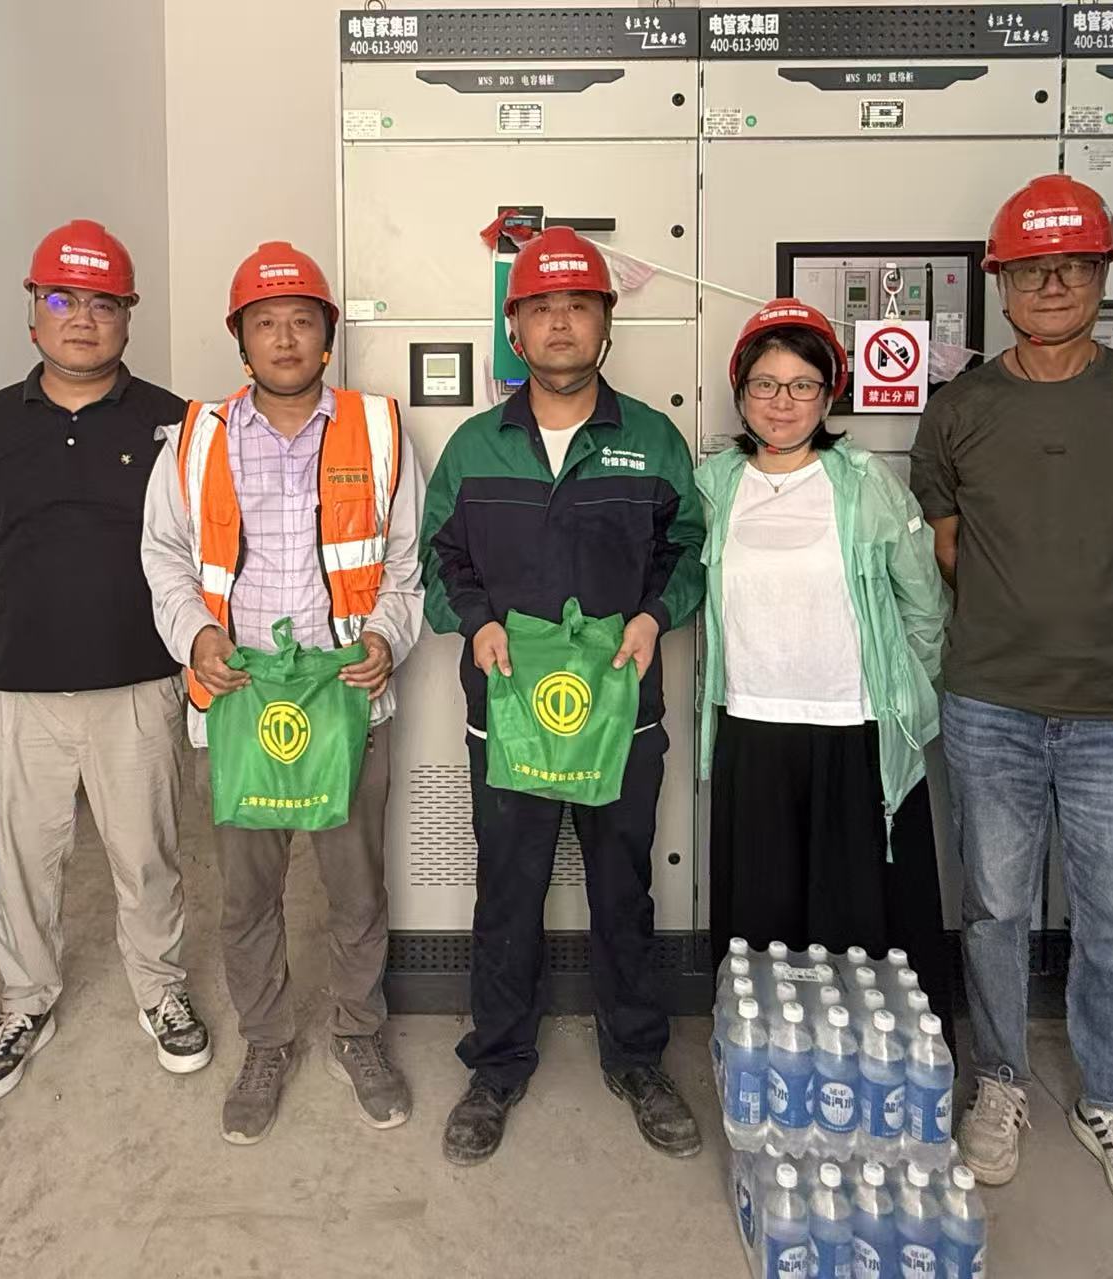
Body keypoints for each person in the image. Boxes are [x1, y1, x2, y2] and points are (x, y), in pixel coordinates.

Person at [909, 175, 1113, 1225]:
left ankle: (1111, 1101)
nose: (1052, 285)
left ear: (1100, 276)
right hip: (991, 703)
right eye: (1032, 268)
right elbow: (951, 551)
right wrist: (1029, 621)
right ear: (998, 281)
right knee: (994, 910)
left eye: (1074, 266)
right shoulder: (961, 408)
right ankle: (999, 1081)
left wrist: (1091, 622)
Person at [419, 226, 706, 1166]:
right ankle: (497, 1065)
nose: (559, 323)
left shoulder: (652, 440)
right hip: (507, 716)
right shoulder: (475, 447)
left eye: (578, 305)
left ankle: (638, 1059)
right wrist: (475, 621)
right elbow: (439, 559)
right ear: (515, 328)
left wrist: (654, 617)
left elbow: (689, 553)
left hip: (622, 717)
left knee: (624, 888)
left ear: (605, 325)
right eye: (541, 307)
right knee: (507, 892)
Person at [141, 241, 424, 1145]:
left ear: (327, 334)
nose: (285, 337)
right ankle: (267, 1041)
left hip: (345, 698)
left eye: (302, 320)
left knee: (355, 889)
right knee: (246, 896)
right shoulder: (196, 439)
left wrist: (385, 637)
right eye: (265, 322)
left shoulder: (378, 430)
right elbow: (164, 558)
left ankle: (357, 1033)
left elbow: (406, 563)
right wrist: (197, 638)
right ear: (241, 339)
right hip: (238, 701)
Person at [0, 220, 210, 1107]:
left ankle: (160, 989)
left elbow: (201, 537)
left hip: (140, 680)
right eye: (63, 298)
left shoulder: (177, 422)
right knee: (23, 858)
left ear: (129, 315)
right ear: (34, 312)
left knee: (148, 854)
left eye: (103, 302)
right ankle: (27, 1002)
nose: (83, 318)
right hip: (21, 687)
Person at [695, 298, 953, 1032]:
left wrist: (903, 701)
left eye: (802, 384)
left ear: (829, 393)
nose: (782, 402)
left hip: (855, 729)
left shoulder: (866, 483)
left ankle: (879, 1064)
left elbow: (924, 607)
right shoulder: (713, 486)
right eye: (765, 384)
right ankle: (767, 1061)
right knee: (762, 925)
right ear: (741, 391)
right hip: (751, 725)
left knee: (860, 924)